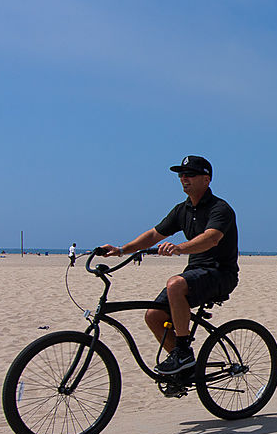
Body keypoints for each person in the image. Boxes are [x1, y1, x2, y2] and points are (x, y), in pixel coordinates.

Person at [100, 155, 239, 374]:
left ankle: (183, 352)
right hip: (195, 272)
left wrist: (179, 248)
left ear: (207, 179)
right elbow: (154, 234)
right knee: (153, 316)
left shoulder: (220, 209)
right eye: (182, 175)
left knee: (175, 284)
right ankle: (185, 369)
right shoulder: (181, 210)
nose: (184, 179)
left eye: (190, 175)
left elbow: (212, 238)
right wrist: (121, 250)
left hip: (220, 273)